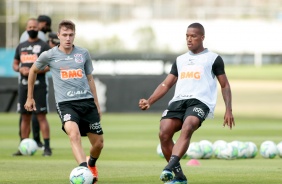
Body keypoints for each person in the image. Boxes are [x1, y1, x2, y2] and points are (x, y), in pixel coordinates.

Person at [138, 22, 235, 184]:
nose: (189, 39)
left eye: (193, 36)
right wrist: (150, 101)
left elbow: (225, 85)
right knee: (164, 133)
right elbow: (166, 84)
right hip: (178, 101)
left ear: (202, 37)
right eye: (187, 36)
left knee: (188, 126)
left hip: (200, 102)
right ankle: (179, 177)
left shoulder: (213, 59)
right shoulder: (180, 60)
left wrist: (228, 110)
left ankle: (168, 168)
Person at [24, 20, 104, 183]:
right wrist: (29, 97)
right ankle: (84, 171)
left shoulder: (83, 53)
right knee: (73, 135)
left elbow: (90, 79)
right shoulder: (50, 55)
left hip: (87, 102)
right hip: (66, 104)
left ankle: (91, 163)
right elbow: (33, 70)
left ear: (74, 35)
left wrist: (96, 102)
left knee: (99, 144)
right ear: (58, 35)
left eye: (71, 35)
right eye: (65, 35)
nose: (68, 38)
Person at [12, 18, 52, 156]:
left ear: (38, 29)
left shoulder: (44, 46)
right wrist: (20, 69)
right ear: (26, 28)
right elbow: (15, 63)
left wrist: (35, 71)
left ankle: (47, 147)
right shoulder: (21, 46)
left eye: (35, 27)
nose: (32, 29)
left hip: (39, 85)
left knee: (41, 116)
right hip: (23, 85)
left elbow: (49, 66)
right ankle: (22, 146)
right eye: (30, 27)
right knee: (25, 116)